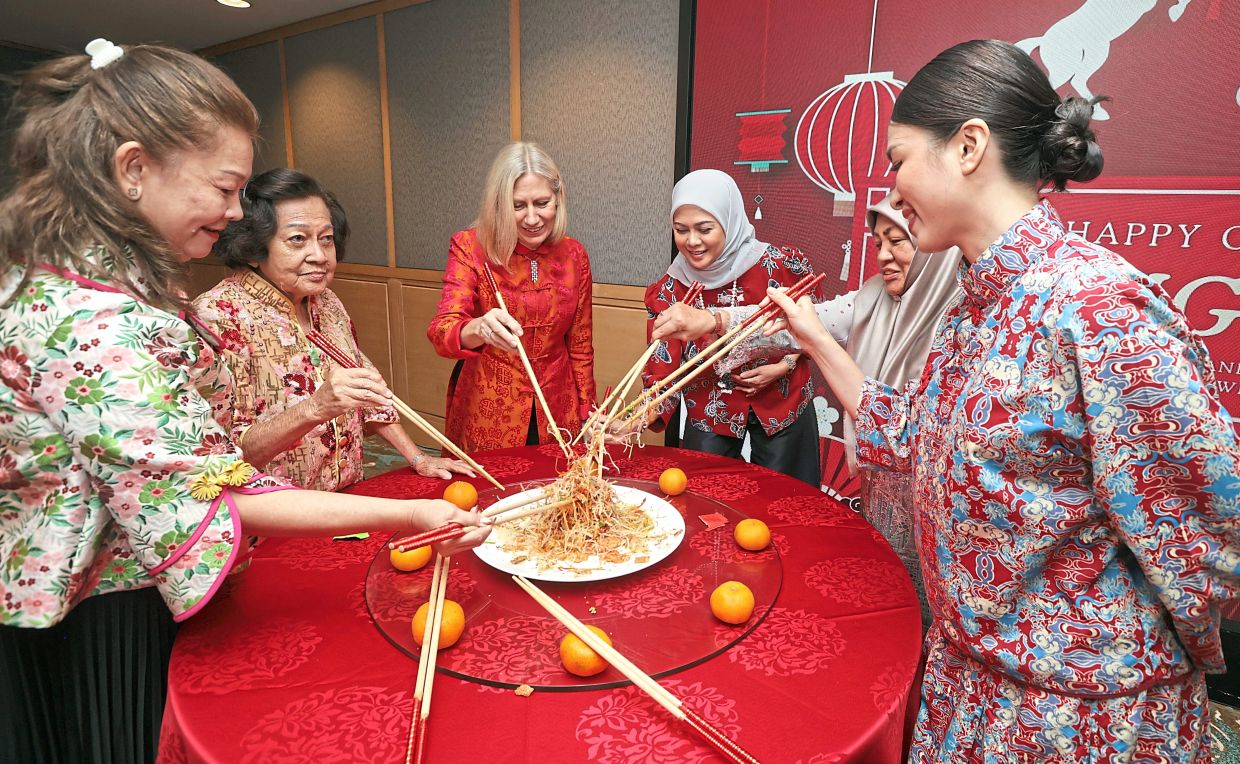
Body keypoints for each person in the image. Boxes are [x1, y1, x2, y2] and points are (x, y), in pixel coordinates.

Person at [0, 41, 488, 764]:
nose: (236, 213)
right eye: (226, 188)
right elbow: (213, 477)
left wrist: (410, 462)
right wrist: (412, 511)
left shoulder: (127, 287)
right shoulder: (93, 322)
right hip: (96, 612)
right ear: (132, 169)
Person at [764, 39, 1240, 762]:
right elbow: (918, 434)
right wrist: (813, 338)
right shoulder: (974, 306)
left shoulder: (1096, 306)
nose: (890, 186)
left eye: (898, 158)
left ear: (968, 146)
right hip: (971, 698)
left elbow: (1214, 530)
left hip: (1076, 724)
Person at [655, 192, 961, 626]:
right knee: (890, 591)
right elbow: (799, 322)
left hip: (936, 488)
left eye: (901, 241)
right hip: (880, 475)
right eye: (879, 243)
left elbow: (802, 335)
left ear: (935, 245)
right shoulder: (872, 298)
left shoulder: (963, 313)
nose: (886, 256)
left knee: (932, 601)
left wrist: (784, 358)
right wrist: (715, 321)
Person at [193, 168, 473, 491]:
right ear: (254, 248)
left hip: (348, 495)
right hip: (276, 518)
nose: (319, 255)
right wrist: (315, 408)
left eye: (326, 240)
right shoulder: (217, 318)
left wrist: (416, 457)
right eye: (297, 239)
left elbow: (365, 384)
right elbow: (222, 456)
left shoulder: (325, 301)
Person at [618, 168, 837, 486]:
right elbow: (663, 364)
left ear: (729, 220)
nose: (692, 241)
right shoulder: (672, 288)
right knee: (707, 502)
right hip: (710, 408)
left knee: (788, 500)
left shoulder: (779, 266)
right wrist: (637, 417)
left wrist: (787, 363)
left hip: (782, 404)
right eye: (681, 230)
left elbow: (819, 327)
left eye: (704, 229)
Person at [427, 141, 595, 451]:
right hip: (489, 405)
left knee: (556, 490)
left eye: (541, 203)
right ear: (499, 204)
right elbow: (442, 331)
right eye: (518, 206)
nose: (532, 218)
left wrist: (588, 412)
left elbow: (581, 347)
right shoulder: (471, 248)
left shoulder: (574, 255)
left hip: (558, 404)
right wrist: (478, 328)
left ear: (558, 199)